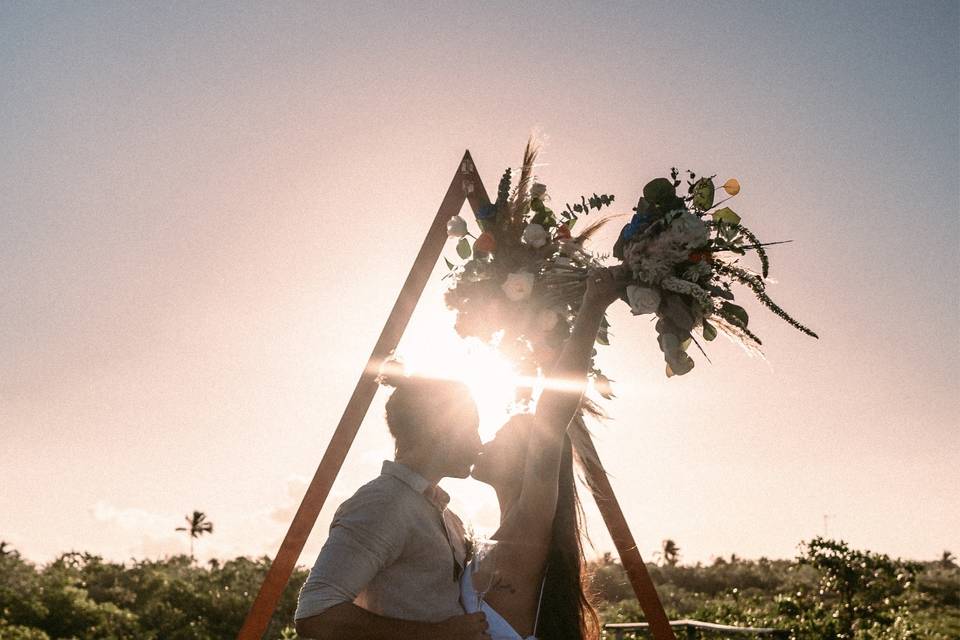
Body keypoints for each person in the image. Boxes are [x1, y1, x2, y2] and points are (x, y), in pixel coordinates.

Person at [465, 266, 628, 640]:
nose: (486, 441)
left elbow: (551, 417)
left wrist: (591, 307)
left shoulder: (529, 526)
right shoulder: (498, 535)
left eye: (501, 437)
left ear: (528, 462)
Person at [294, 373, 492, 640]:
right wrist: (439, 634)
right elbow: (316, 615)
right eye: (472, 428)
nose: (478, 445)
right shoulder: (383, 503)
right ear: (439, 429)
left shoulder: (444, 515)